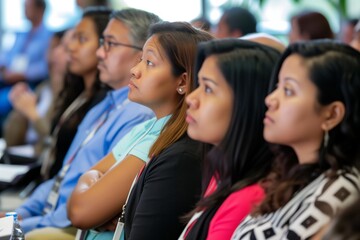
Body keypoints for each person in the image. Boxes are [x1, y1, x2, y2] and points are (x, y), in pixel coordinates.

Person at [67, 21, 214, 240]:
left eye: (150, 63)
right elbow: (80, 197)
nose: (134, 71)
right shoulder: (145, 127)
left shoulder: (165, 143)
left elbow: (80, 212)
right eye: (140, 61)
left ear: (182, 81)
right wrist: (92, 179)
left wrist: (95, 184)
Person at [0, 7, 113, 237]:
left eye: (80, 40)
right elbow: (57, 176)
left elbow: (60, 170)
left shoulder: (103, 105)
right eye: (62, 45)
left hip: (55, 214)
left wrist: (19, 221)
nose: (68, 49)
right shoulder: (74, 94)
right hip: (41, 200)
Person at [231, 40, 360, 240]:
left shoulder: (340, 192)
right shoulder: (297, 174)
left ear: (331, 114)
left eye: (288, 90)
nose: (270, 99)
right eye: (277, 86)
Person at [178, 39, 280, 240]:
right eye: (199, 84)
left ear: (247, 103)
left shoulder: (249, 198)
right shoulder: (223, 168)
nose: (191, 98)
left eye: (208, 88)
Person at [3, 30, 68, 155]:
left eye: (63, 48)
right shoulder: (43, 88)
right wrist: (19, 109)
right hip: (23, 156)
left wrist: (32, 114)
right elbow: (11, 141)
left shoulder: (69, 96)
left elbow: (53, 142)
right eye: (51, 48)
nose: (53, 54)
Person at [0, 0, 53, 134]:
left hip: (29, 83)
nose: (24, 11)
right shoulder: (21, 35)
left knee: (5, 101)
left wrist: (25, 74)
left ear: (39, 9)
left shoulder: (49, 36)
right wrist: (5, 68)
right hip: (8, 79)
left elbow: (46, 66)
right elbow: (7, 55)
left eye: (27, 7)